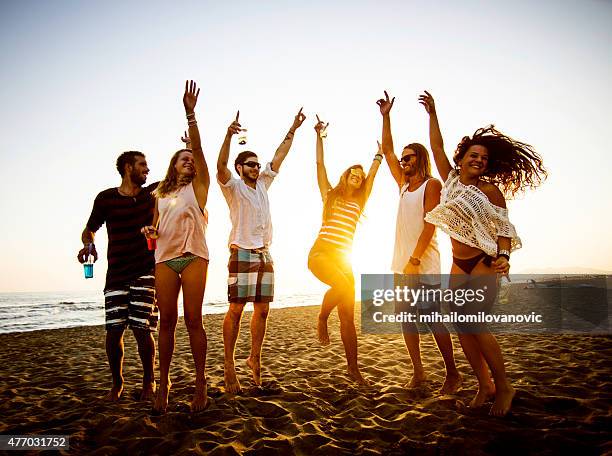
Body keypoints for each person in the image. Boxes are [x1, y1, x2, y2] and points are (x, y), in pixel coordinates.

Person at [419, 90, 546, 416]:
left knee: (475, 322)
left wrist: (505, 256)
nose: (478, 160)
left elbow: (504, 230)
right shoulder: (449, 179)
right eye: (473, 155)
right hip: (458, 262)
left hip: (483, 261)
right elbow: (435, 147)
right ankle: (484, 384)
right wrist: (433, 114)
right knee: (462, 326)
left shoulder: (490, 191)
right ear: (461, 158)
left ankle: (504, 386)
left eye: (484, 158)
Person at [377, 91, 462, 394]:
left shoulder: (432, 184)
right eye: (402, 159)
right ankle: (419, 372)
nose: (403, 162)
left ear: (420, 159)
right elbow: (386, 151)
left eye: (408, 158)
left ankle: (452, 373)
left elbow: (431, 224)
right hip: (401, 264)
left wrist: (414, 261)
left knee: (432, 318)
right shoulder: (403, 184)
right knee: (406, 320)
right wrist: (386, 117)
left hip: (422, 264)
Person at [217, 108, 306, 393]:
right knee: (236, 309)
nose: (256, 168)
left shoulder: (264, 184)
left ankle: (254, 358)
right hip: (241, 251)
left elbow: (280, 155)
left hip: (265, 253)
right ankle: (229, 364)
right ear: (240, 167)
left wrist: (293, 127)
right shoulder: (232, 187)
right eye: (251, 164)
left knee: (263, 310)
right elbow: (219, 166)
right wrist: (229, 135)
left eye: (257, 164)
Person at [141, 81, 210, 413]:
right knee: (167, 321)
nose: (188, 160)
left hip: (194, 256)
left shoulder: (199, 188)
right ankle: (164, 384)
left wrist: (190, 114)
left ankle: (200, 384)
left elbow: (197, 149)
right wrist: (150, 231)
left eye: (190, 158)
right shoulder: (160, 193)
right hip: (164, 259)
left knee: (194, 320)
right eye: (182, 158)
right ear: (173, 164)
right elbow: (154, 231)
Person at [77, 151, 158, 402]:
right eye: (142, 164)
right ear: (127, 167)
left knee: (142, 329)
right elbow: (89, 230)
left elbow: (185, 177)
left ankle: (149, 382)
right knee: (113, 330)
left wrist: (189, 144)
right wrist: (89, 245)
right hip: (116, 274)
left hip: (146, 271)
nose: (147, 169)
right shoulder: (106, 199)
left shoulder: (153, 193)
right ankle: (117, 384)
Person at [307, 114, 381, 385]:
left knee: (349, 316)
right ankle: (322, 317)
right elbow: (319, 164)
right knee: (340, 285)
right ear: (346, 176)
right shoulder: (330, 195)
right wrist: (318, 136)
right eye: (354, 173)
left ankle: (353, 368)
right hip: (320, 253)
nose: (358, 177)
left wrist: (379, 156)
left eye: (360, 177)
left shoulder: (360, 202)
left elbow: (373, 175)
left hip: (344, 258)